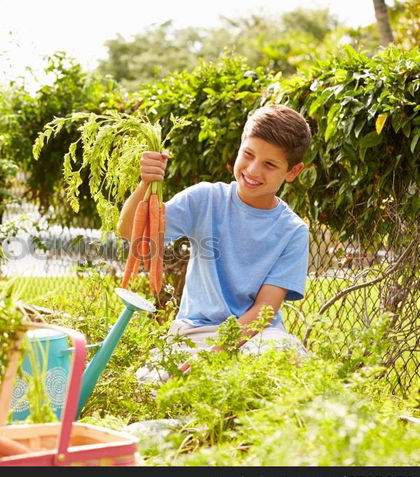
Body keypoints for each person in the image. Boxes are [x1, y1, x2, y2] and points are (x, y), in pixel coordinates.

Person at [118, 105, 311, 378]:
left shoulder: (293, 231)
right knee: (152, 381)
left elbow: (265, 309)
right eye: (249, 154)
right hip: (194, 331)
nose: (253, 170)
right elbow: (131, 233)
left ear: (293, 171)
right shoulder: (205, 199)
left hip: (258, 336)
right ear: (240, 147)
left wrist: (219, 352)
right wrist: (145, 183)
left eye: (270, 164)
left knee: (285, 355)